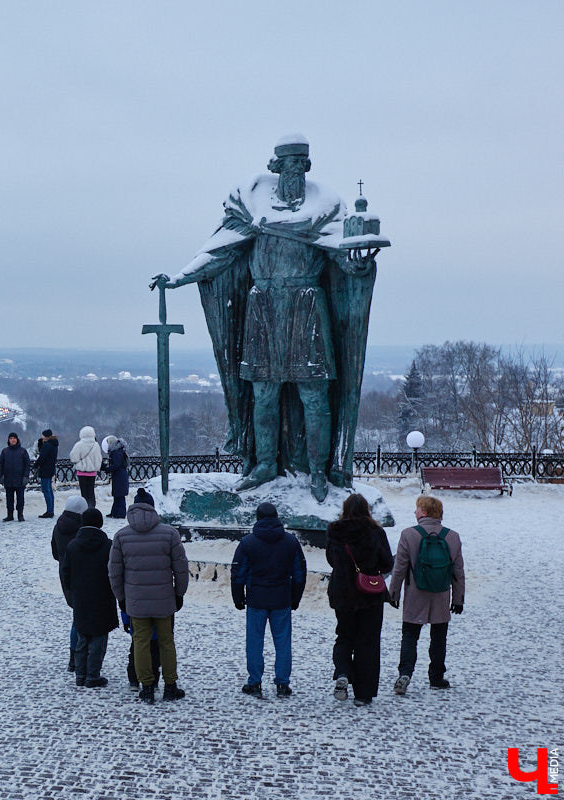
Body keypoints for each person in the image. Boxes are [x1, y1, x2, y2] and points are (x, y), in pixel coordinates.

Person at [155, 136, 381, 501]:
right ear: (275, 167)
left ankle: (318, 471)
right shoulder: (250, 203)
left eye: (300, 163)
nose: (294, 169)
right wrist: (181, 276)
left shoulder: (325, 206)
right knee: (263, 394)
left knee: (314, 394)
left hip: (307, 305)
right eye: (288, 164)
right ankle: (263, 465)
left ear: (307, 167)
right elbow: (220, 252)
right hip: (263, 308)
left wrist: (359, 261)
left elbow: (344, 258)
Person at [108, 488, 189, 704]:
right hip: (164, 600)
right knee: (166, 642)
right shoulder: (169, 533)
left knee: (140, 643)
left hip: (136, 601)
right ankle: (170, 685)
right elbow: (181, 568)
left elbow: (114, 571)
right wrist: (179, 593)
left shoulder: (122, 536)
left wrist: (121, 598)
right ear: (154, 508)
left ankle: (146, 687)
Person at [388, 494, 465, 694]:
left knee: (410, 635)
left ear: (425, 512)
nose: (415, 511)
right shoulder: (452, 536)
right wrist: (458, 599)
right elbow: (458, 572)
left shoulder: (408, 534)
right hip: (441, 593)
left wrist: (393, 593)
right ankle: (436, 677)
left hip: (416, 592)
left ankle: (405, 673)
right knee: (439, 637)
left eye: (417, 508)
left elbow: (399, 568)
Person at [231, 502, 307, 698]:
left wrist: (238, 597)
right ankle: (282, 683)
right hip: (281, 598)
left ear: (257, 518)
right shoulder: (290, 542)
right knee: (283, 642)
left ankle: (254, 682)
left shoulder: (248, 542)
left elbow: (238, 573)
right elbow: (299, 573)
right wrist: (295, 598)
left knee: (254, 642)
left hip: (256, 599)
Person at [325, 493, 394, 706]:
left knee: (344, 635)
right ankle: (363, 693)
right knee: (368, 641)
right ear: (367, 509)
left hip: (343, 593)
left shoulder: (335, 531)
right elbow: (387, 563)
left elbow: (331, 560)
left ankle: (343, 672)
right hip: (369, 595)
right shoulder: (376, 532)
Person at [60, 508, 118, 688]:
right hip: (103, 596)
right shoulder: (108, 546)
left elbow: (65, 573)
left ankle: (80, 674)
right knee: (99, 637)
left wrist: (71, 593)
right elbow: (114, 572)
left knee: (82, 636)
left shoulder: (72, 546)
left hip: (81, 596)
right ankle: (92, 675)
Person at [51, 495, 88, 671]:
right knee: (82, 618)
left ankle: (74, 656)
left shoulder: (58, 526)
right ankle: (80, 656)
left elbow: (54, 553)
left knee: (77, 615)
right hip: (83, 575)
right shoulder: (82, 528)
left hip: (65, 575)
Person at [0, 432, 31, 522]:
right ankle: (10, 515)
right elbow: (0, 464)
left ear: (17, 439)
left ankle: (20, 514)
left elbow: (27, 465)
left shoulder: (23, 451)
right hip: (8, 479)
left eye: (14, 438)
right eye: (11, 438)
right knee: (9, 499)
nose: (13, 440)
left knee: (20, 498)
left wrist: (25, 476)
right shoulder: (5, 451)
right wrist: (1, 476)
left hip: (19, 478)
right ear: (8, 440)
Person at [69, 426, 102, 509]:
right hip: (92, 473)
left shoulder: (79, 445)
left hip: (82, 472)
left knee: (84, 492)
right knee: (91, 491)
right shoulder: (96, 445)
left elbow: (73, 457)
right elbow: (99, 459)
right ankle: (92, 507)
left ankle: (85, 508)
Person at [35, 429, 59, 518]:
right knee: (49, 490)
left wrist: (35, 465)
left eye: (43, 435)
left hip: (45, 470)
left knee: (46, 490)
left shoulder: (47, 445)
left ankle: (49, 511)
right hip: (51, 469)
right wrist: (41, 445)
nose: (41, 437)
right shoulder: (54, 444)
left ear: (46, 436)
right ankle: (51, 510)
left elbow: (42, 457)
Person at [104, 436, 130, 519]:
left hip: (119, 475)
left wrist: (108, 469)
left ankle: (120, 513)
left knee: (119, 495)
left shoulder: (116, 452)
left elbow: (116, 465)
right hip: (121, 475)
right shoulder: (120, 451)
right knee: (118, 495)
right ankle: (115, 512)